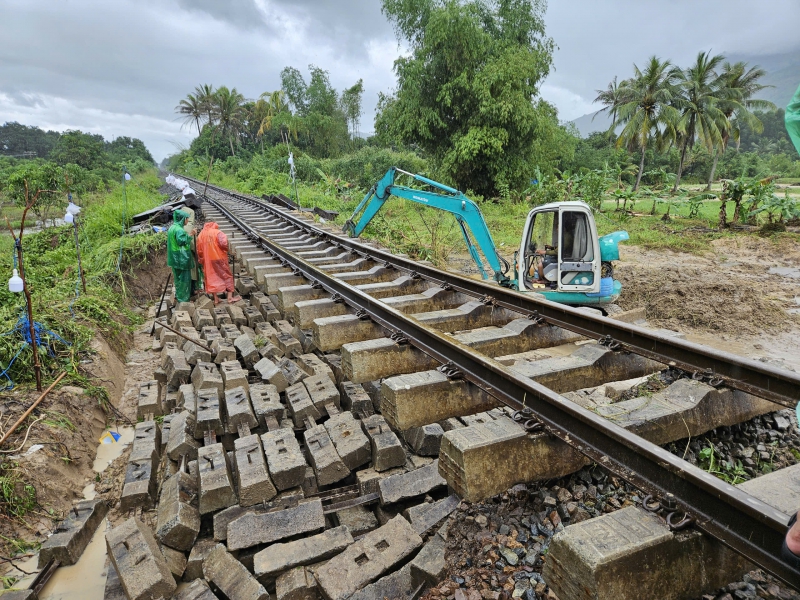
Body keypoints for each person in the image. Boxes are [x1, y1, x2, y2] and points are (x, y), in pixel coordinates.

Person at [196, 221, 241, 305]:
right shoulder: (218, 232)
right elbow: (224, 244)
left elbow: (199, 250)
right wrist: (230, 250)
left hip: (208, 260)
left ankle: (216, 299)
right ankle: (230, 298)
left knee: (211, 277)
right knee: (227, 275)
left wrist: (202, 260)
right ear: (214, 224)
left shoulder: (201, 235)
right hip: (219, 258)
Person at [166, 210, 196, 303]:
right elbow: (181, 241)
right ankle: (184, 300)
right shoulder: (179, 230)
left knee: (178, 280)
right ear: (182, 219)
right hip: (181, 259)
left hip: (174, 258)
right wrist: (191, 234)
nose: (187, 220)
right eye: (186, 218)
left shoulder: (172, 227)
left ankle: (179, 297)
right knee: (184, 280)